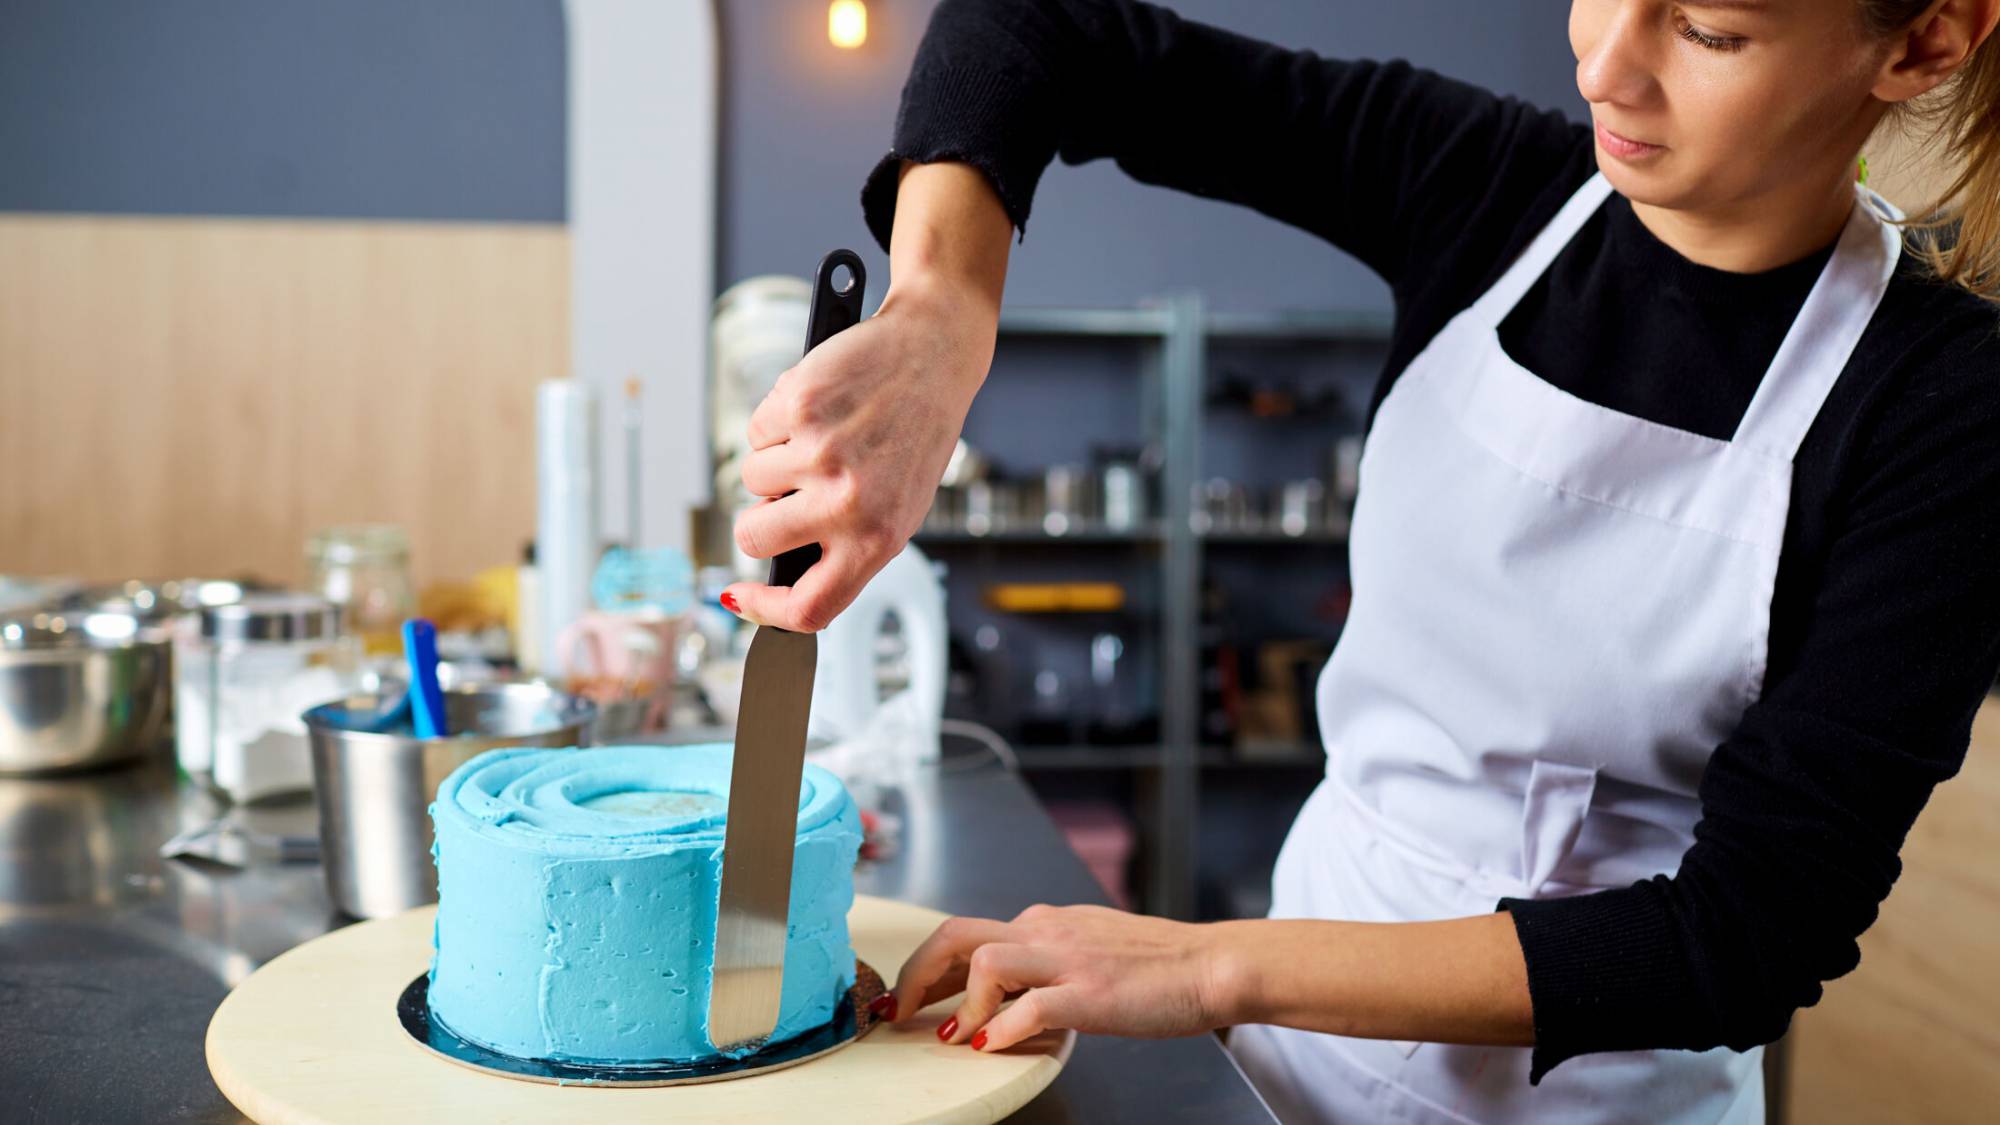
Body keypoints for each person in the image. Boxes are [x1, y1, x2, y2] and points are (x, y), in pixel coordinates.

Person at [717, 1, 2000, 1120]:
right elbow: (1038, 30)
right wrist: (940, 313)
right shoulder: (1488, 184)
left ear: (1927, 38)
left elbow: (1741, 941)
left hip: (1591, 1103)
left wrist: (1211, 967)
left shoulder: (1943, 407)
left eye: (1708, 28)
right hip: (1283, 1072)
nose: (1605, 63)